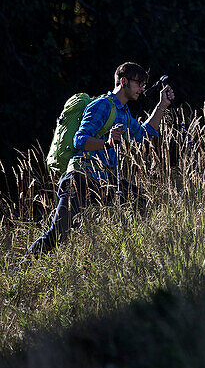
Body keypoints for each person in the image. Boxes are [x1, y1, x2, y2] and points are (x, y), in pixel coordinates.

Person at [24, 62, 174, 258]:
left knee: (141, 201)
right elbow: (80, 140)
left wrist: (162, 105)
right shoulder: (102, 106)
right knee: (58, 235)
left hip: (103, 181)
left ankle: (135, 257)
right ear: (123, 81)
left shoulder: (124, 113)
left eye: (145, 84)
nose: (142, 88)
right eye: (139, 83)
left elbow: (144, 134)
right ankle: (21, 268)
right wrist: (108, 143)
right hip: (80, 177)